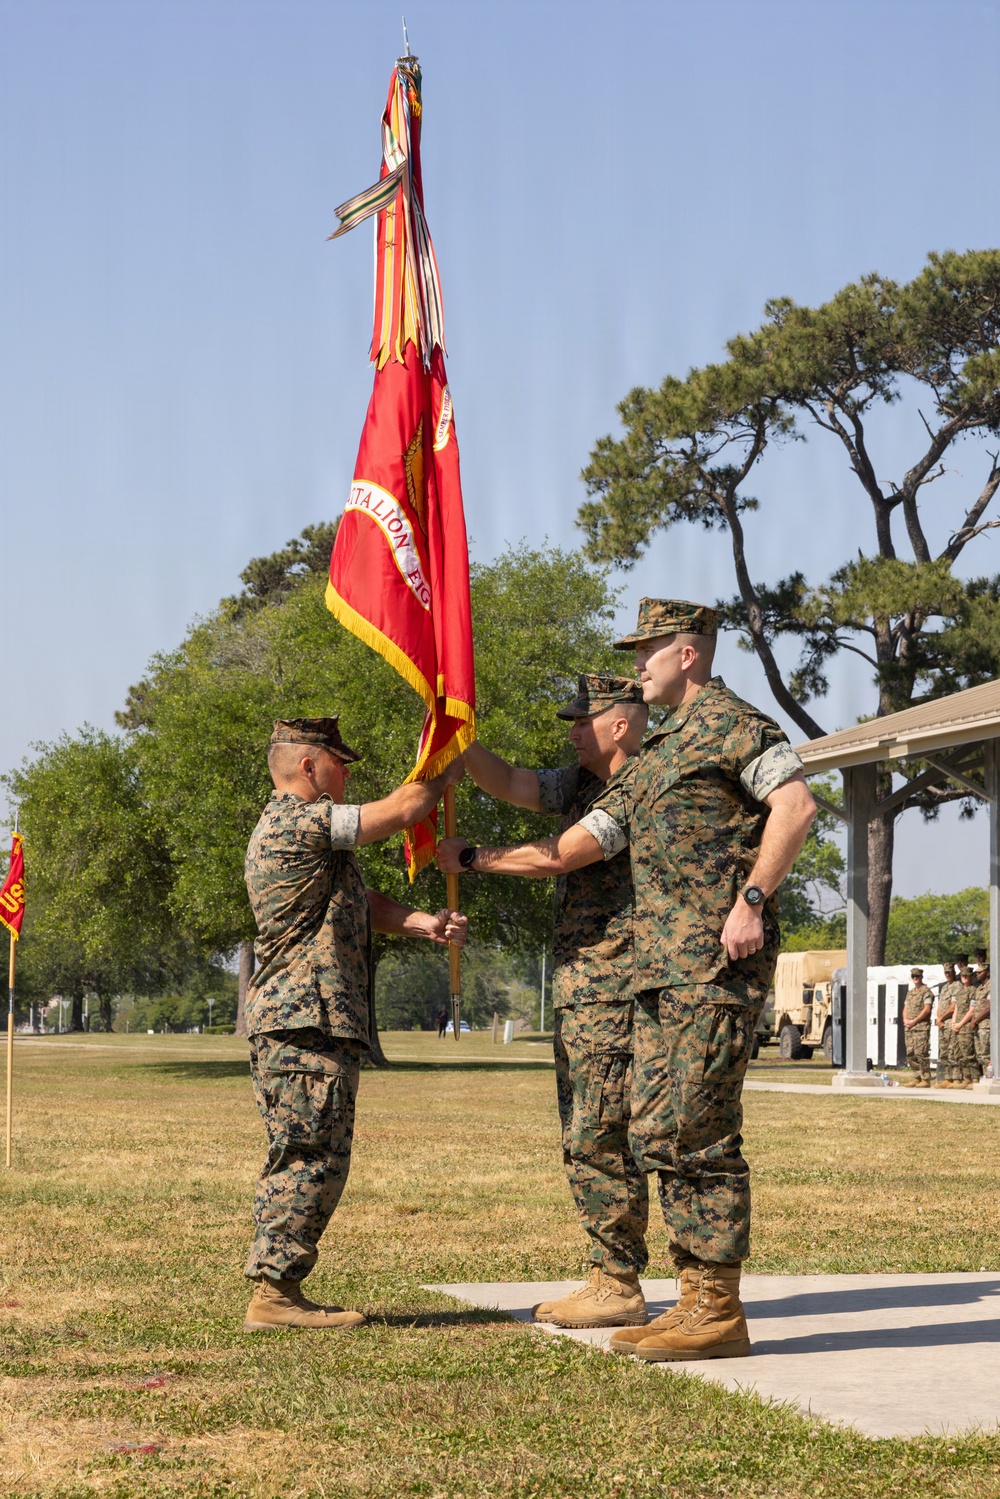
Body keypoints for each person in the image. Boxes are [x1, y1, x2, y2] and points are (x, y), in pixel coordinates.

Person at [438, 599, 816, 1361]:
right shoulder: (661, 751)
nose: (637, 662)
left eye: (647, 650)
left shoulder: (735, 727)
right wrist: (455, 741)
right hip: (660, 974)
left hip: (713, 967)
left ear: (687, 652)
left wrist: (751, 900)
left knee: (699, 1134)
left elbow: (797, 806)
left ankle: (717, 1308)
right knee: (657, 1131)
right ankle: (695, 1298)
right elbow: (580, 835)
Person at [242, 717, 468, 1332]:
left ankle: (279, 1285)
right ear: (308, 765)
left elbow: (359, 904)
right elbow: (399, 812)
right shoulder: (295, 820)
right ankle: (274, 1292)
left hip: (315, 1019)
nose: (346, 774)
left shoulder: (315, 841)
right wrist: (448, 758)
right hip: (301, 1018)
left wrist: (423, 921)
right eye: (339, 763)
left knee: (317, 1151)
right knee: (308, 1153)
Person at [463, 674, 650, 1329]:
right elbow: (512, 781)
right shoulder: (581, 783)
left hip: (614, 987)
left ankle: (618, 1282)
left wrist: (473, 857)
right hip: (583, 989)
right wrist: (459, 740)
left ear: (620, 725)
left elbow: (560, 856)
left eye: (583, 721)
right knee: (583, 1133)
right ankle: (607, 1271)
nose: (570, 731)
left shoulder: (637, 787)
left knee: (600, 1133)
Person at [900, 967, 934, 1088]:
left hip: (921, 1027)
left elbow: (927, 1009)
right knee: (911, 1053)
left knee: (921, 1053)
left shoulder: (926, 992)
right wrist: (905, 1020)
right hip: (909, 1027)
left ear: (921, 977)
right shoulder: (910, 993)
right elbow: (906, 1008)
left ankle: (925, 1079)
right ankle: (916, 1076)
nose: (915, 978)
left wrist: (914, 1021)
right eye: (913, 976)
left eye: (917, 976)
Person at [951, 966, 981, 1089]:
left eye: (966, 976)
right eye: (962, 976)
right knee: (958, 1055)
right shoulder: (959, 991)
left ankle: (974, 1078)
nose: (964, 978)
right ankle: (966, 1078)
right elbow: (956, 1009)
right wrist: (953, 1023)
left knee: (968, 1055)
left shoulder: (973, 991)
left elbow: (972, 1010)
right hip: (957, 1027)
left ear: (971, 977)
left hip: (966, 1027)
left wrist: (960, 1024)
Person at [934, 962, 960, 1088]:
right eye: (946, 973)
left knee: (952, 1051)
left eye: (949, 972)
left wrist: (942, 1018)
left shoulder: (957, 986)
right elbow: (940, 1005)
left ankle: (956, 1078)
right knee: (944, 1052)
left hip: (950, 1022)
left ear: (954, 973)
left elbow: (953, 1007)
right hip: (942, 1023)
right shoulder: (944, 987)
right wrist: (938, 1018)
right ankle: (948, 1077)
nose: (948, 975)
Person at [970, 962, 991, 1081]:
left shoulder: (991, 986)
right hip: (978, 1025)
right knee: (979, 1055)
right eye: (977, 972)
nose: (977, 974)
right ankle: (984, 1076)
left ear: (987, 973)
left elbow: (988, 1008)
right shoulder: (979, 989)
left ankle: (990, 1077)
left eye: (980, 972)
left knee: (986, 1054)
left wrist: (975, 1021)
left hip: (986, 1026)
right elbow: (976, 1008)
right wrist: (973, 1021)